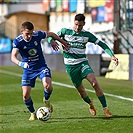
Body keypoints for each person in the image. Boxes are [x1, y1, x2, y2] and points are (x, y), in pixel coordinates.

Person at [48, 14, 119, 118]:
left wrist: (112, 56)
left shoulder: (87, 35)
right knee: (81, 92)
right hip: (71, 67)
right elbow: (50, 36)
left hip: (82, 63)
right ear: (74, 22)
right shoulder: (65, 31)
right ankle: (90, 103)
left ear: (84, 24)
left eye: (80, 25)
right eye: (76, 24)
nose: (77, 27)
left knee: (94, 83)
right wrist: (52, 41)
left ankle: (106, 109)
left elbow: (102, 44)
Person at [11, 21, 69, 121]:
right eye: (27, 34)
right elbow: (13, 57)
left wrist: (60, 41)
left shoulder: (37, 35)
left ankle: (46, 100)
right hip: (28, 69)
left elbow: (51, 34)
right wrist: (21, 63)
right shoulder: (18, 41)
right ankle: (33, 113)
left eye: (31, 33)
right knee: (25, 95)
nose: (29, 36)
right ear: (21, 32)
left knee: (48, 85)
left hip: (41, 67)